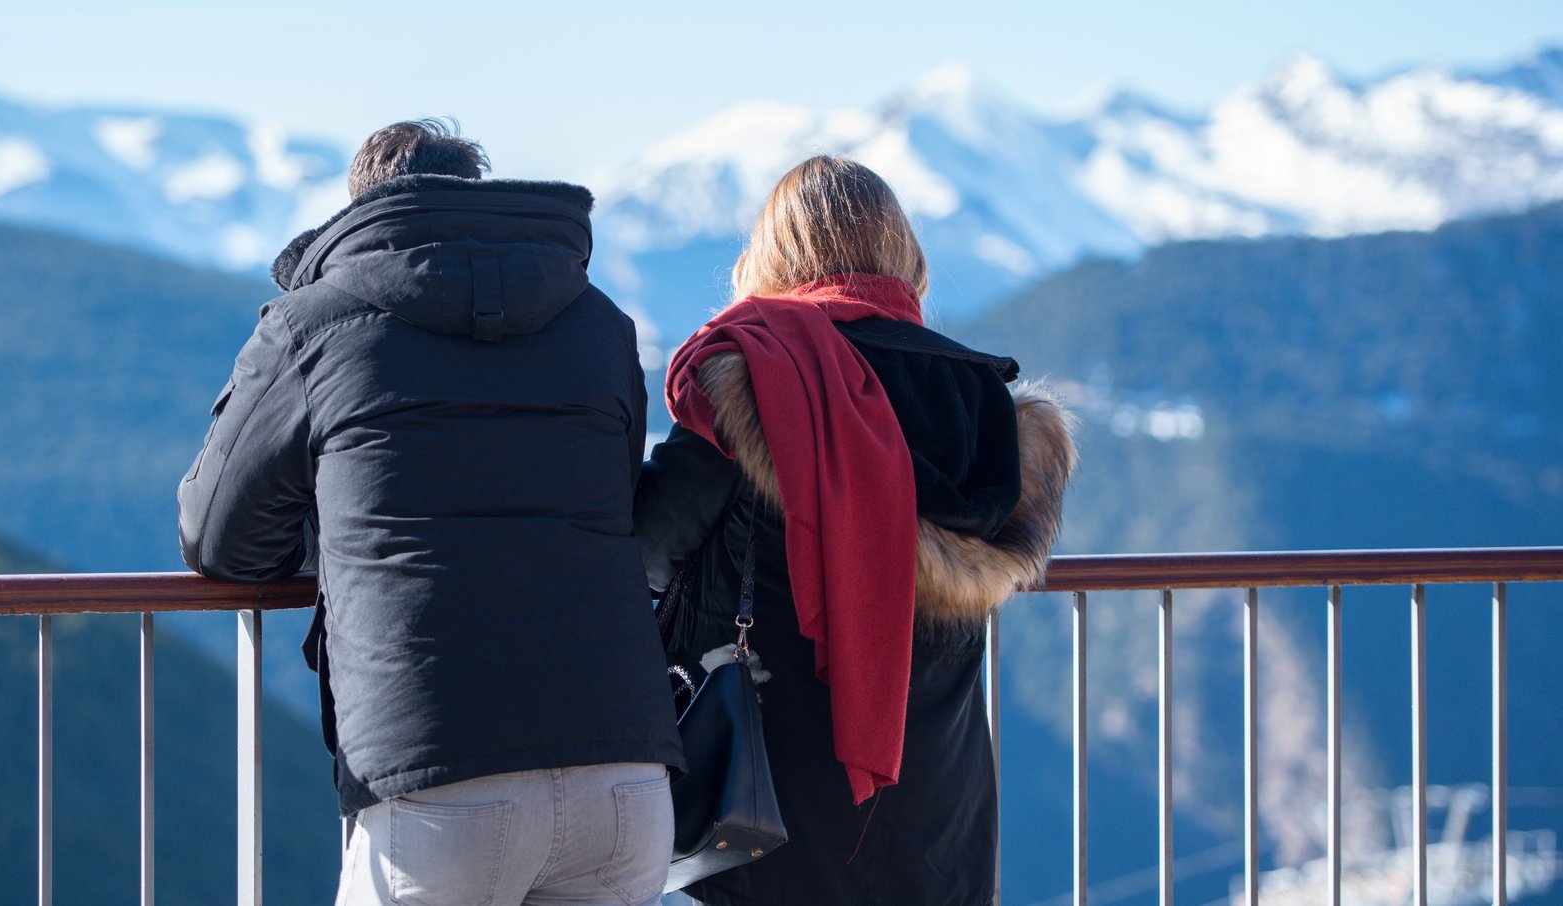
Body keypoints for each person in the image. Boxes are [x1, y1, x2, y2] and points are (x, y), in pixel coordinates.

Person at [180, 120, 684, 906]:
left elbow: (217, 539)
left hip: (437, 778)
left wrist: (338, 525)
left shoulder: (312, 326)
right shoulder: (601, 324)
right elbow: (611, 502)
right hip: (624, 770)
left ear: (360, 212)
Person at [636, 155, 1076, 906]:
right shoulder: (983, 406)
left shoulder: (763, 380)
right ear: (905, 257)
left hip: (766, 807)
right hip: (944, 815)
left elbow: (644, 549)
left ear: (775, 257)